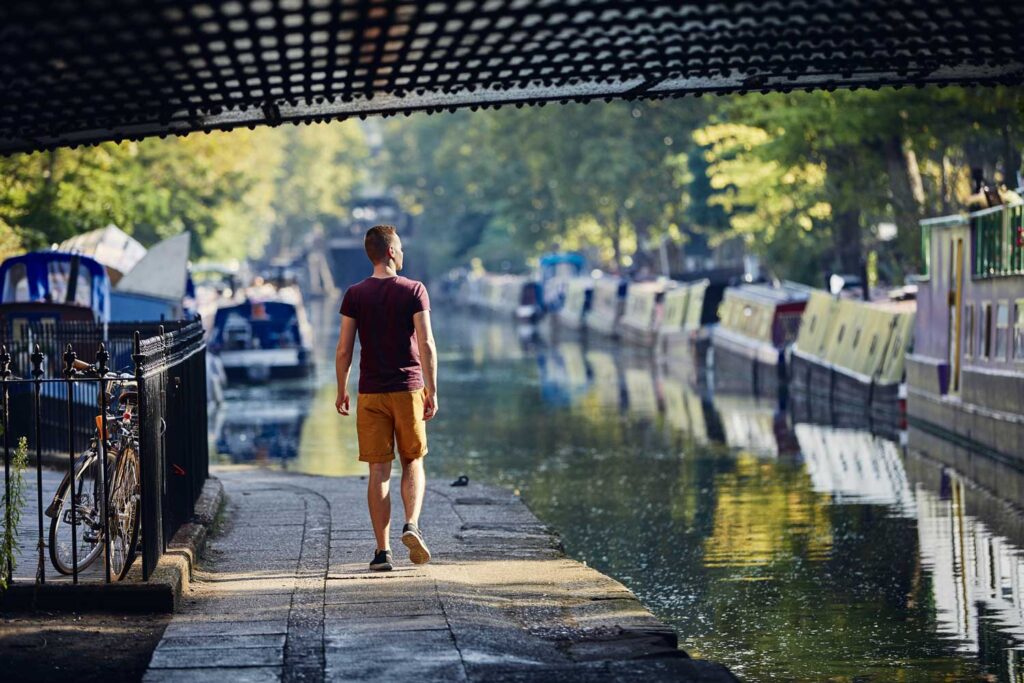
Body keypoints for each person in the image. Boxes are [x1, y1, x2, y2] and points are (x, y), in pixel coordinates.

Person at [335, 224, 438, 571]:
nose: (403, 253)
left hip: (370, 392)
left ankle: (382, 552)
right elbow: (425, 343)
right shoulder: (415, 290)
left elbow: (344, 349)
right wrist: (432, 388)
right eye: (401, 248)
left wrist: (340, 390)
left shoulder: (355, 294)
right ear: (392, 252)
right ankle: (412, 525)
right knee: (412, 461)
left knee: (378, 471)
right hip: (408, 388)